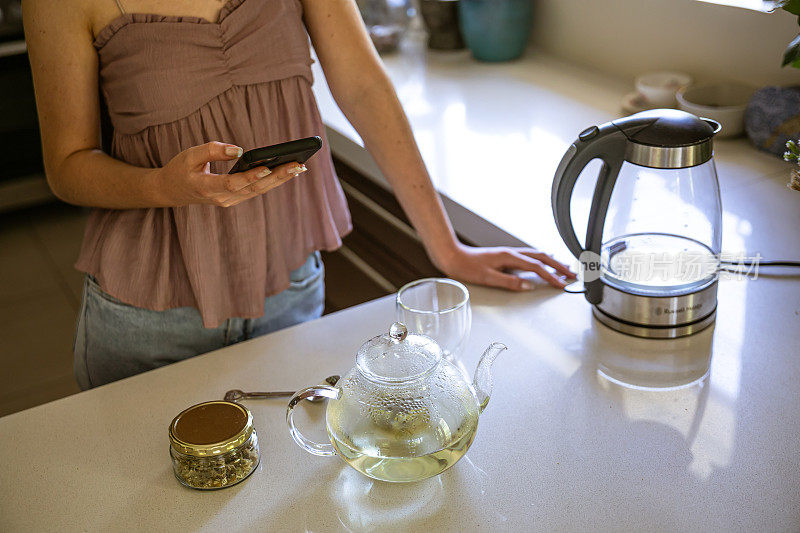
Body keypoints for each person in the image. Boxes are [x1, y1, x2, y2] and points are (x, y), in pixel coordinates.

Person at [23, 0, 574, 389]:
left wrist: (446, 249)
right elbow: (67, 168)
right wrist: (161, 186)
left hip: (289, 286)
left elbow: (364, 87)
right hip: (149, 308)